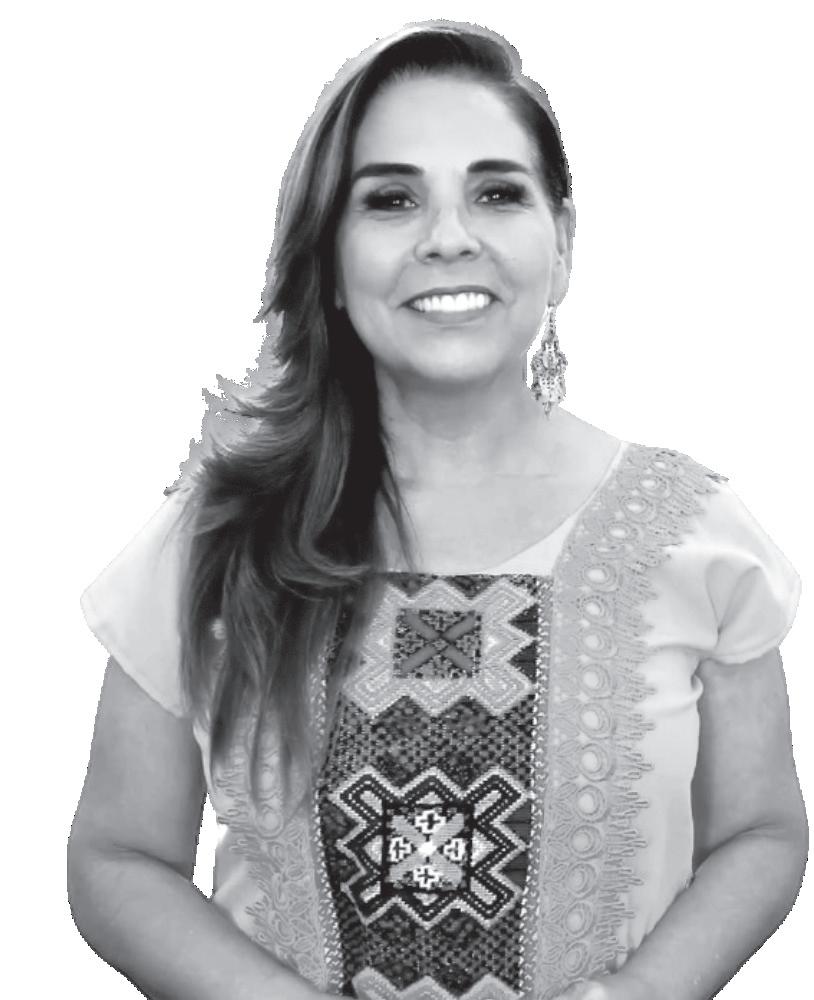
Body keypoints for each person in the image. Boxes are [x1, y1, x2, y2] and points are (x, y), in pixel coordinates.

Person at [66, 18, 806, 1000]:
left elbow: (761, 832)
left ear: (563, 243)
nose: (449, 236)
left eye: (497, 192)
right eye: (391, 198)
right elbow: (117, 858)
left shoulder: (695, 532)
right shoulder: (220, 533)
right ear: (329, 257)